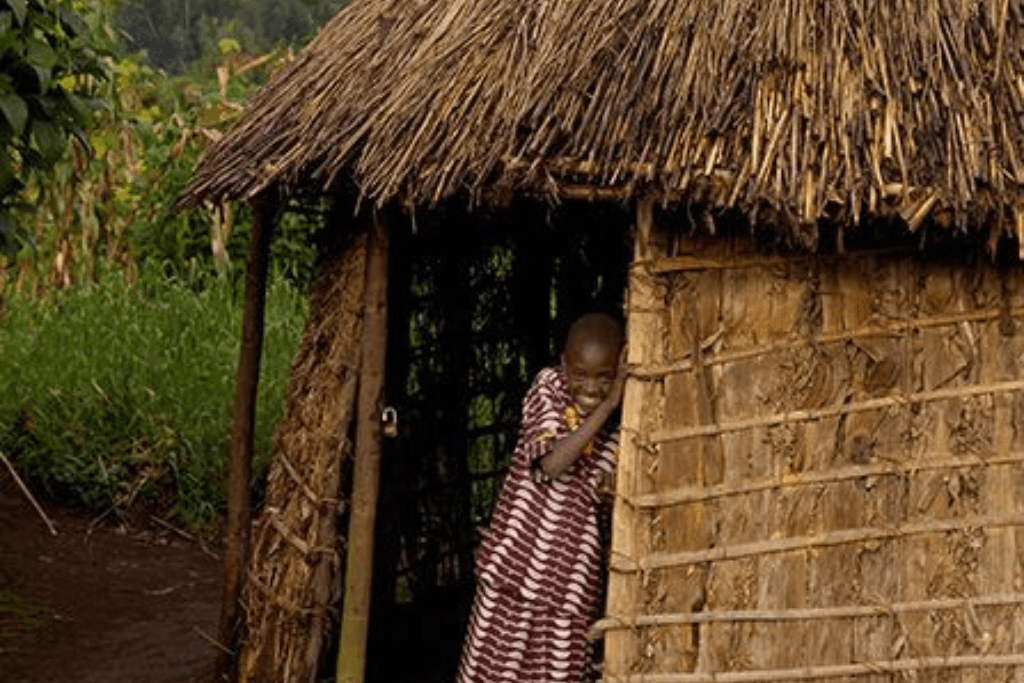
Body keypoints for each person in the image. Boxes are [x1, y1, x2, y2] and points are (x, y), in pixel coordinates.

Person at [456, 312, 627, 683]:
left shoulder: (627, 428)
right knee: (490, 673)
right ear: (564, 364)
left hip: (569, 590)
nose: (591, 388)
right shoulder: (549, 388)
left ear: (620, 372)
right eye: (580, 375)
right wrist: (608, 404)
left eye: (605, 378)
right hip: (512, 575)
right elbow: (550, 464)